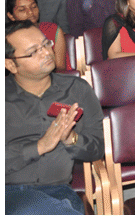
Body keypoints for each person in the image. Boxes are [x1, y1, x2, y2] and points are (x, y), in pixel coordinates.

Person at [5, 20, 104, 215]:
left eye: (46, 44)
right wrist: (40, 146)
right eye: (34, 51)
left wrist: (71, 139)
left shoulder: (77, 89)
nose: (46, 53)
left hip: (60, 194)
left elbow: (97, 149)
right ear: (10, 64)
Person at [7, 0, 69, 71]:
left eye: (33, 7)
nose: (30, 12)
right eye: (22, 10)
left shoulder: (52, 29)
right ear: (11, 16)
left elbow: (60, 67)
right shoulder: (8, 37)